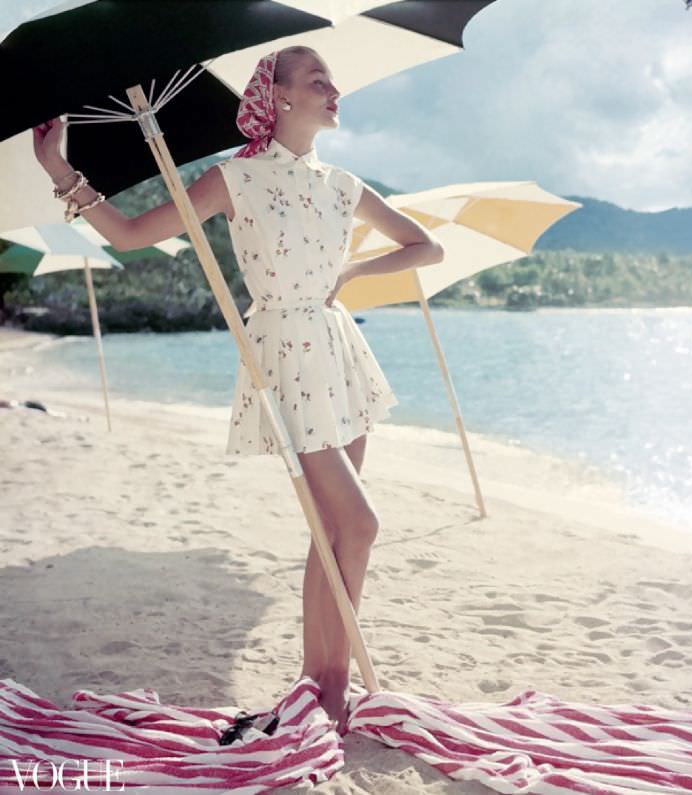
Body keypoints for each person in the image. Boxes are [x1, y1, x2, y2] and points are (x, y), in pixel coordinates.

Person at [33, 45, 444, 734]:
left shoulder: (343, 184)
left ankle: (319, 683)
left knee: (332, 534)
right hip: (283, 352)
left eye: (333, 78)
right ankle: (333, 694)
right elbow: (132, 234)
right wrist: (59, 169)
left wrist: (348, 277)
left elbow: (424, 247)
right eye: (319, 79)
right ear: (277, 95)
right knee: (359, 523)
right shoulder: (235, 179)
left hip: (339, 349)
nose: (334, 88)